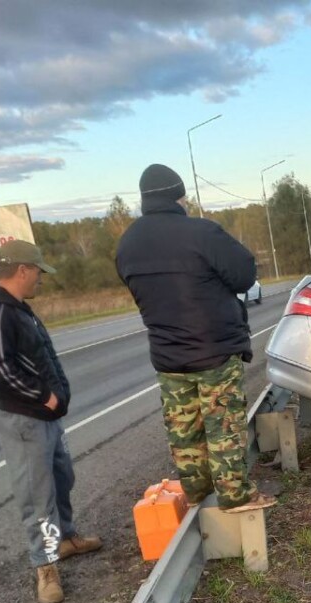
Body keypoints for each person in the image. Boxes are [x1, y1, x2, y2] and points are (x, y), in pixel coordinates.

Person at [115, 163, 274, 514]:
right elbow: (244, 275)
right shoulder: (201, 233)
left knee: (184, 431)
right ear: (179, 196)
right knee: (224, 427)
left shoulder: (128, 243)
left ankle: (198, 494)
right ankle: (235, 496)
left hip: (169, 357)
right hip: (214, 351)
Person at [0, 240, 102, 603]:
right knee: (37, 497)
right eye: (38, 272)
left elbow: (40, 357)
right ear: (22, 270)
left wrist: (57, 398)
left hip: (48, 420)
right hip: (26, 422)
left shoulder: (19, 309)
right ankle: (44, 566)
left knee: (62, 479)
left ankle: (65, 538)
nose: (41, 279)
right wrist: (42, 397)